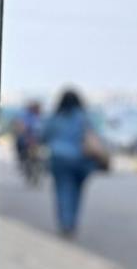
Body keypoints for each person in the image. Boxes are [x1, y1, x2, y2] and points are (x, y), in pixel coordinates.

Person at [41, 86, 108, 238]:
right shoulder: (84, 117)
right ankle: (71, 222)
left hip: (59, 160)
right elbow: (96, 137)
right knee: (77, 192)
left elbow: (44, 136)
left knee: (62, 190)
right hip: (81, 161)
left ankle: (65, 222)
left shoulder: (55, 118)